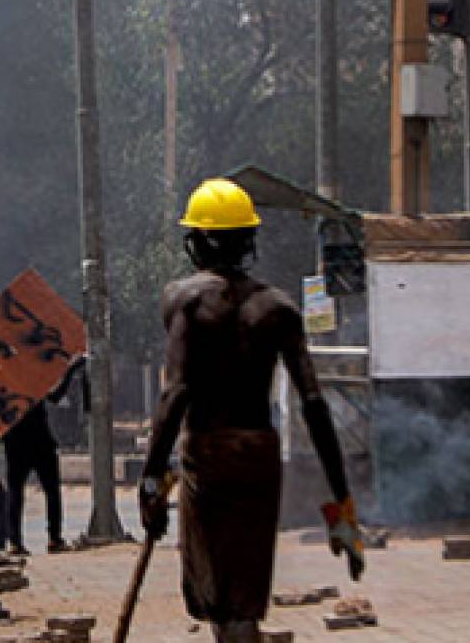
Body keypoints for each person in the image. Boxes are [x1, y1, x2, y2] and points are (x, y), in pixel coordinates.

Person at [139, 179, 364, 643]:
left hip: (209, 454)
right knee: (245, 588)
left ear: (197, 240)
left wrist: (150, 481)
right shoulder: (278, 308)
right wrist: (342, 505)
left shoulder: (184, 299)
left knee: (217, 592)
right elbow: (315, 405)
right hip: (259, 455)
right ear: (248, 241)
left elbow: (176, 393)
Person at [1, 365, 75, 554]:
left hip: (15, 443)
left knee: (15, 493)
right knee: (51, 492)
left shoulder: (2, 383)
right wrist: (70, 372)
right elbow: (56, 396)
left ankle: (15, 542)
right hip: (40, 442)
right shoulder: (31, 379)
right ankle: (54, 539)